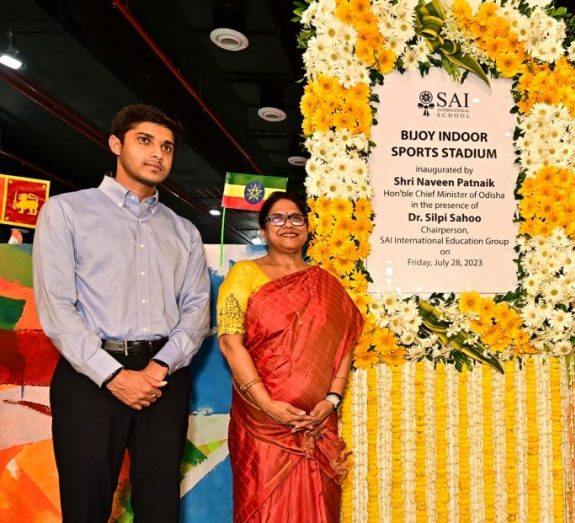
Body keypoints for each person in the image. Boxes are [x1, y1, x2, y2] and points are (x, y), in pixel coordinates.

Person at [33, 104, 211, 521]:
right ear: (116, 144)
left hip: (164, 379)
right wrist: (112, 375)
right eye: (145, 141)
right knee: (85, 505)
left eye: (167, 147)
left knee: (160, 507)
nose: (157, 154)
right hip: (89, 377)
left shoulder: (184, 230)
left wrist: (159, 368)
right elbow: (57, 307)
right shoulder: (66, 212)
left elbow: (196, 310)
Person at [217, 191, 363, 523]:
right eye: (278, 218)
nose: (288, 225)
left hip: (317, 423)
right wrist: (267, 404)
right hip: (262, 424)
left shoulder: (326, 282)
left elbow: (344, 343)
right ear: (263, 230)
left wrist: (331, 399)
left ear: (307, 228)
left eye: (296, 218)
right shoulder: (244, 274)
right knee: (265, 509)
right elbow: (229, 343)